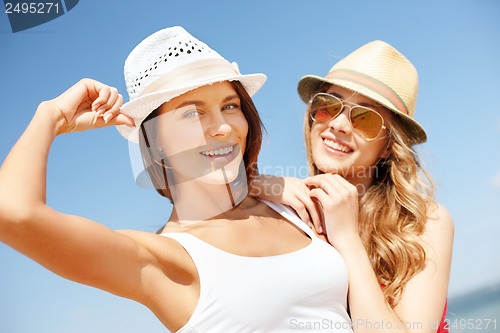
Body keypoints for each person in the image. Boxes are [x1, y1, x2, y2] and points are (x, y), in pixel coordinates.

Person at [0, 26, 353, 332]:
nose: (223, 127)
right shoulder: (164, 259)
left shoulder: (293, 206)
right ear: (157, 143)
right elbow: (13, 214)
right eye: (192, 113)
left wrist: (266, 185)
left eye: (230, 106)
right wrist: (51, 117)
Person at [252, 41, 454, 332]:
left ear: (387, 147)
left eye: (365, 118)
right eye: (328, 106)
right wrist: (258, 184)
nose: (339, 125)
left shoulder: (424, 223)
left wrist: (347, 238)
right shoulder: (283, 210)